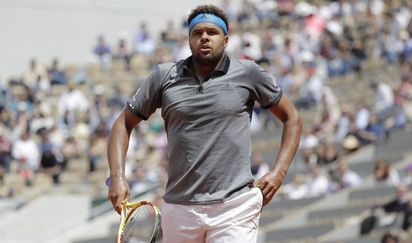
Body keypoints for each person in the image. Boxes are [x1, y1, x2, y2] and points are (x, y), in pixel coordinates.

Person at [107, 4, 302, 243]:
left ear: (226, 39)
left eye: (212, 32)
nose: (205, 38)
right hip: (179, 207)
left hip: (235, 206)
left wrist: (279, 172)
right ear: (189, 40)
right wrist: (117, 177)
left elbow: (292, 117)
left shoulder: (248, 73)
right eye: (197, 33)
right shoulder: (164, 76)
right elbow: (122, 125)